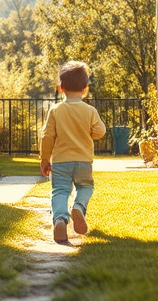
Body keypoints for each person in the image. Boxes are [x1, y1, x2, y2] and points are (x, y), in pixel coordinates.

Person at [39, 61, 107, 244]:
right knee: (85, 187)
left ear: (61, 88)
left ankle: (60, 219)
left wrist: (45, 159)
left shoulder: (55, 110)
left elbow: (47, 136)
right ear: (85, 89)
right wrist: (91, 131)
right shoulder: (90, 111)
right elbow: (100, 131)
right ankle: (78, 207)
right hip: (84, 161)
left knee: (60, 190)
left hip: (61, 162)